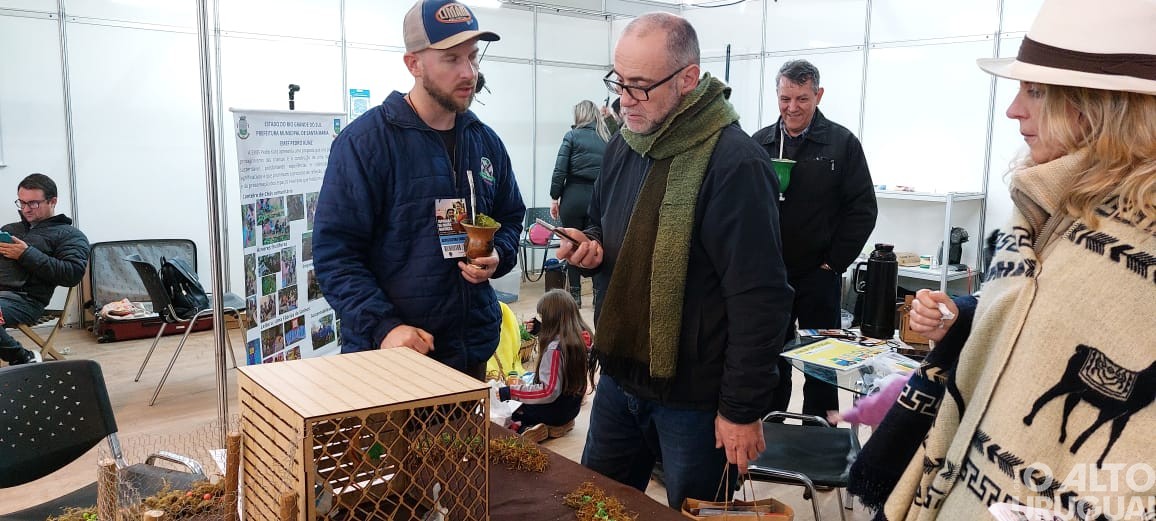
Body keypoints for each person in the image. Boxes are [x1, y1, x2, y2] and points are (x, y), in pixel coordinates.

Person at [849, 1, 1156, 519]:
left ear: (1102, 106)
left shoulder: (1137, 239)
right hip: (963, 481)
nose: (1014, 109)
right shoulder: (1047, 207)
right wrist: (968, 315)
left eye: (1035, 91)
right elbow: (1038, 316)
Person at [555, 12, 793, 508]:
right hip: (620, 380)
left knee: (694, 511)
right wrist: (591, 248)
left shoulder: (735, 163)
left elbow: (760, 300)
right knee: (595, 508)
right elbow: (601, 224)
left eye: (641, 86)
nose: (625, 99)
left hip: (695, 402)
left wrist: (741, 409)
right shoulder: (625, 146)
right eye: (619, 82)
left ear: (688, 79)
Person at [313, 0, 525, 380]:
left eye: (473, 56)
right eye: (451, 59)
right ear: (413, 64)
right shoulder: (365, 144)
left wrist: (498, 254)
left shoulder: (485, 142)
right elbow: (336, 255)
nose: (469, 72)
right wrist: (385, 327)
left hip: (470, 354)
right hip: (392, 361)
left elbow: (510, 217)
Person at [751, 59, 878, 419]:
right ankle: (770, 430)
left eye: (802, 99)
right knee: (768, 359)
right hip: (769, 276)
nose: (792, 107)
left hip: (818, 275)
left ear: (818, 95)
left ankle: (821, 435)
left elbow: (863, 209)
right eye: (785, 98)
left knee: (821, 363)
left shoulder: (841, 144)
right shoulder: (759, 144)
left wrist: (833, 263)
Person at [0, 173, 89, 366]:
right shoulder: (10, 230)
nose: (25, 209)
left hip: (25, 301)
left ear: (53, 201)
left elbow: (72, 274)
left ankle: (23, 357)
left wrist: (25, 254)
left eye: (33, 203)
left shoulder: (70, 235)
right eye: (21, 203)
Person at [497, 289, 591, 442]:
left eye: (543, 317)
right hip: (571, 408)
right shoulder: (581, 337)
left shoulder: (555, 350)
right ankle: (563, 424)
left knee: (513, 411)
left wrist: (510, 392)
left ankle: (530, 427)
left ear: (551, 319)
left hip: (553, 412)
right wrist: (541, 330)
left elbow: (548, 391)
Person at [549, 100, 611, 307]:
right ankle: (597, 295)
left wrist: (554, 198)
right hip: (598, 198)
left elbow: (560, 170)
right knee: (595, 245)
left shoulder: (572, 136)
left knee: (571, 245)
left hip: (573, 197)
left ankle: (575, 295)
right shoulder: (607, 138)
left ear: (579, 115)